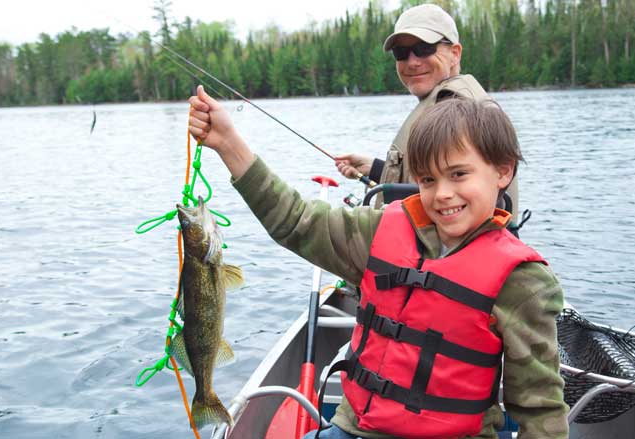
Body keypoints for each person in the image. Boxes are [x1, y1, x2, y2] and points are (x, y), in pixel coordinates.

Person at [188, 85, 568, 439]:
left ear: (503, 171)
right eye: (428, 179)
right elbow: (296, 221)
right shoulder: (379, 232)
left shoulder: (524, 281)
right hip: (356, 429)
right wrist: (227, 143)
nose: (443, 194)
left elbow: (539, 407)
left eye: (459, 174)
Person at [334, 3, 519, 221]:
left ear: (455, 53)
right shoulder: (442, 101)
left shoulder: (457, 110)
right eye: (401, 53)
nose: (412, 62)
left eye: (424, 48)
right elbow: (439, 180)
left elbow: (451, 201)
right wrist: (375, 169)